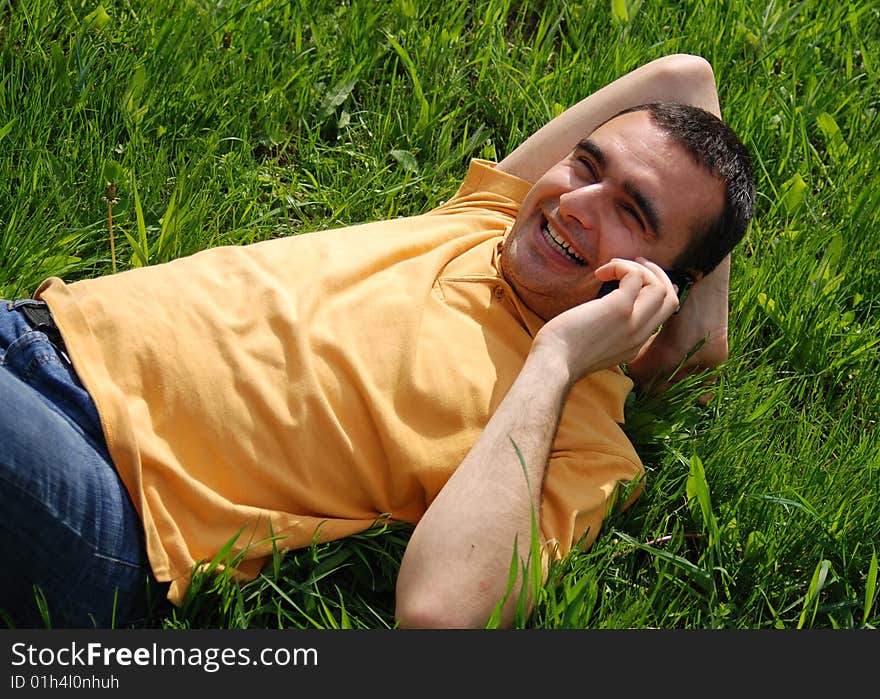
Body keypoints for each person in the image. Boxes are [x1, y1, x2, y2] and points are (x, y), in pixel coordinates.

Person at [0, 53, 754, 629]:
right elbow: (685, 76)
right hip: (32, 336)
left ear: (661, 282)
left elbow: (440, 613)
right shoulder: (481, 221)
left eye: (632, 211)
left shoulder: (585, 443)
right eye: (586, 165)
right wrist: (700, 333)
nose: (575, 203)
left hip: (108, 492)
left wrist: (560, 356)